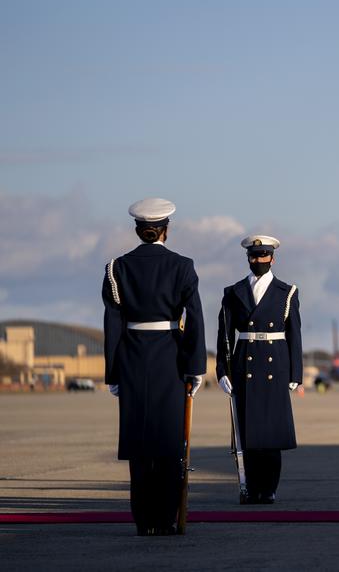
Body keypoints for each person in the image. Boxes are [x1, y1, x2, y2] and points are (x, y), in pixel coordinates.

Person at [102, 198, 206, 536]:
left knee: (139, 445)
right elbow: (194, 319)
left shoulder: (117, 268)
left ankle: (143, 520)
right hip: (169, 359)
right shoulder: (182, 266)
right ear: (166, 230)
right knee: (169, 443)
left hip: (132, 358)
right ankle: (165, 518)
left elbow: (113, 324)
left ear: (138, 230)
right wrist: (195, 367)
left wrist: (113, 371)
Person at [216, 235, 302, 504]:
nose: (258, 260)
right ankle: (252, 488)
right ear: (248, 258)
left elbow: (294, 335)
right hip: (245, 364)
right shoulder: (233, 292)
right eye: (254, 256)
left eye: (263, 255)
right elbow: (224, 336)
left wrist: (295, 374)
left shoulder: (287, 292)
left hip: (276, 366)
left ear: (272, 258)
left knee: (271, 434)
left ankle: (269, 488)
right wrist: (222, 370)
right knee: (249, 433)